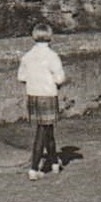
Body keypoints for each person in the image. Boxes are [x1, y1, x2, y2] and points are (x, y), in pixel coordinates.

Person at [17, 21, 67, 180]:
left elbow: (21, 77)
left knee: (48, 130)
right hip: (48, 95)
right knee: (42, 131)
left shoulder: (27, 57)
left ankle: (53, 162)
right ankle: (34, 167)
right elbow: (60, 78)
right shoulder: (52, 57)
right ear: (50, 37)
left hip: (33, 95)